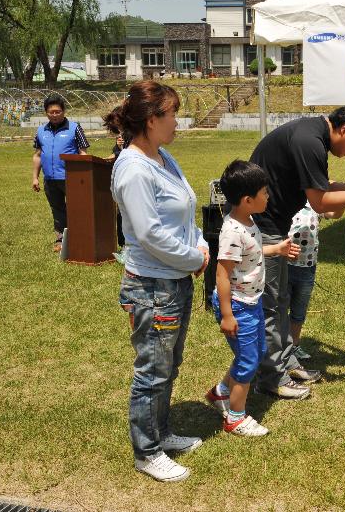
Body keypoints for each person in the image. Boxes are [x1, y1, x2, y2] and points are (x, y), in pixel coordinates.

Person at [107, 80, 210, 482]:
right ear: (152, 121)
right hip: (152, 287)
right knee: (153, 369)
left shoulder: (163, 156)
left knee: (170, 363)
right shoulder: (132, 168)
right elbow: (149, 233)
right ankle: (146, 451)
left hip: (175, 280)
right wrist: (192, 259)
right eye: (173, 114)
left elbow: (185, 211)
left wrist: (199, 246)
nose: (178, 122)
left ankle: (161, 432)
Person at [249, 104, 345, 400]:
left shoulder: (313, 137)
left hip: (275, 224)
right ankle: (271, 378)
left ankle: (285, 362)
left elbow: (321, 187)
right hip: (262, 226)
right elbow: (322, 202)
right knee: (271, 305)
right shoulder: (308, 141)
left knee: (281, 298)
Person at [205, 160, 300, 437]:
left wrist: (276, 249)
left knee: (255, 353)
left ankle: (220, 392)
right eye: (264, 191)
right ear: (248, 200)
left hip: (252, 301)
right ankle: (235, 417)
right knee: (247, 360)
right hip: (237, 306)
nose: (268, 195)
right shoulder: (233, 231)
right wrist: (226, 314)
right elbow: (221, 275)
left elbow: (254, 252)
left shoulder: (248, 221)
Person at [31, 95, 89, 252]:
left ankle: (80, 238)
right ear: (46, 113)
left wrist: (86, 177)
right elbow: (37, 155)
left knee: (76, 208)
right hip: (50, 179)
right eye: (51, 112)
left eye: (57, 112)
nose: (54, 115)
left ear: (64, 111)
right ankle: (60, 240)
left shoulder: (74, 128)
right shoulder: (41, 130)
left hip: (72, 178)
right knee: (57, 209)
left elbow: (83, 153)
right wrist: (35, 177)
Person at [286, 202, 342, 360]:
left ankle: (294, 345)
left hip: (307, 266)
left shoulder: (314, 202)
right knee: (280, 309)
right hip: (285, 265)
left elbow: (335, 213)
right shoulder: (285, 201)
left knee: (299, 310)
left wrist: (340, 199)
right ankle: (280, 347)